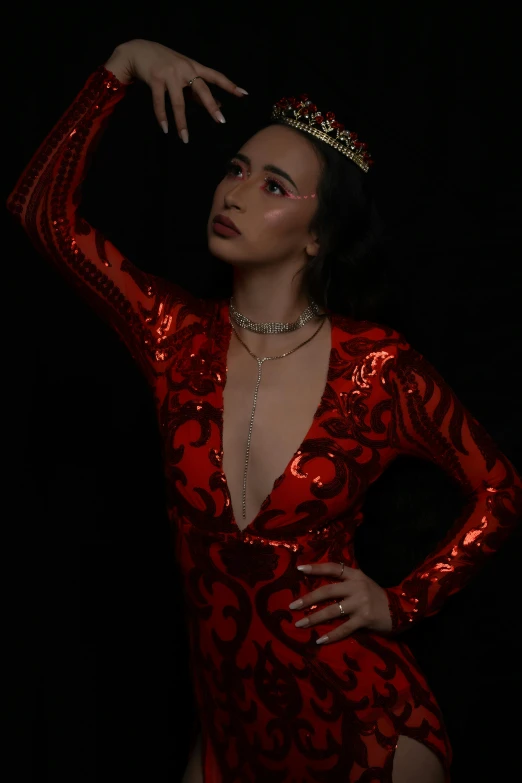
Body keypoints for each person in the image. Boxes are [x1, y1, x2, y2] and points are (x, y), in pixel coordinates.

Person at [7, 38, 521, 783]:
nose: (235, 192)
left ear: (317, 236)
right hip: (228, 735)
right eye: (236, 170)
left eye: (274, 185)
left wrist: (401, 602)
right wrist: (120, 67)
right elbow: (40, 212)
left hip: (363, 729)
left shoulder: (378, 370)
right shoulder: (171, 336)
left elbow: (500, 489)